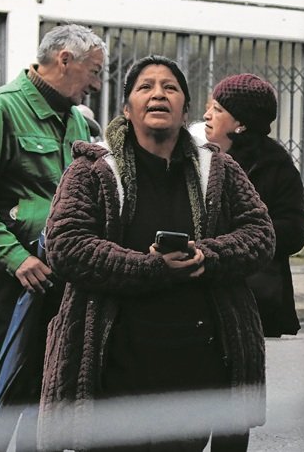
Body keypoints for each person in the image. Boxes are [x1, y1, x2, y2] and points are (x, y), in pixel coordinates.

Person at [39, 55, 274, 451]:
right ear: (127, 108)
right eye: (145, 86)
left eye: (170, 87)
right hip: (114, 370)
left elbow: (260, 235)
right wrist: (151, 267)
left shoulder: (219, 169)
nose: (158, 94)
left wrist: (206, 256)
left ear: (186, 110)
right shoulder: (92, 170)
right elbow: (66, 245)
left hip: (196, 371)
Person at [0, 24, 106, 451]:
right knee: (4, 386)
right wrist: (15, 257)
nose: (96, 84)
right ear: (65, 60)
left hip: (62, 274)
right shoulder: (0, 106)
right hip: (14, 275)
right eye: (94, 71)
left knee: (46, 391)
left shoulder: (77, 119)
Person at [202, 73, 304, 337]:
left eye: (217, 110)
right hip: (204, 293)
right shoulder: (201, 156)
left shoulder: (274, 165)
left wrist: (244, 234)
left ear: (241, 123)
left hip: (253, 297)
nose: (207, 115)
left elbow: (295, 231)